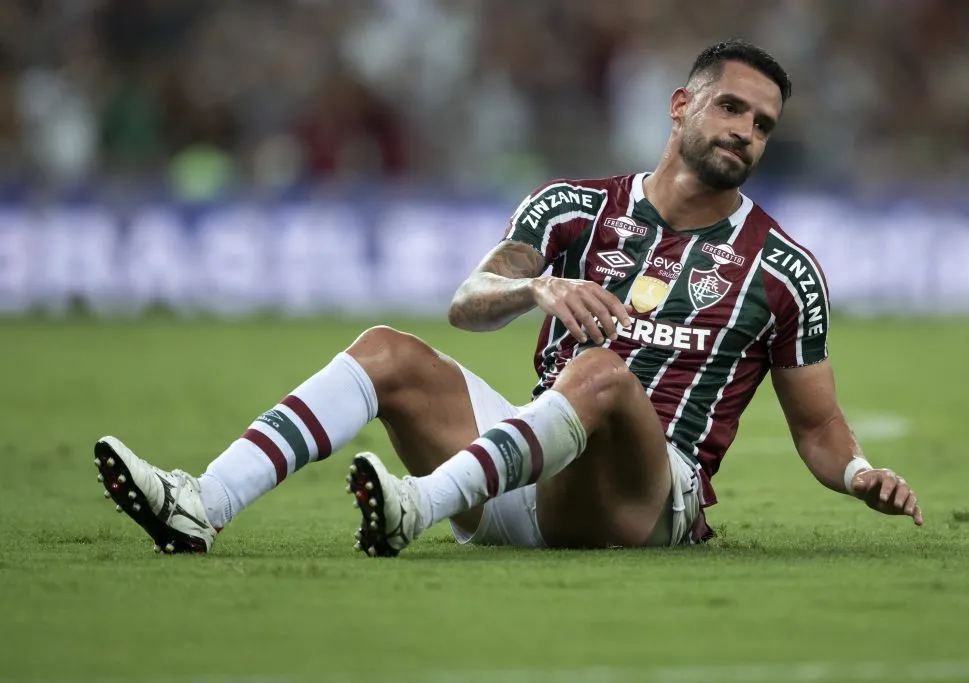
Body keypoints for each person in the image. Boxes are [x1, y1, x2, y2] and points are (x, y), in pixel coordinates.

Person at [93, 39, 923, 557]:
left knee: (601, 372)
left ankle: (419, 505)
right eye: (732, 107)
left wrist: (858, 472)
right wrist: (537, 284)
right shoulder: (572, 206)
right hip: (530, 477)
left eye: (763, 123)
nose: (745, 130)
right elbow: (468, 299)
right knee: (388, 350)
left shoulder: (782, 268)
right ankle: (201, 503)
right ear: (682, 106)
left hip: (646, 498)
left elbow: (816, 426)